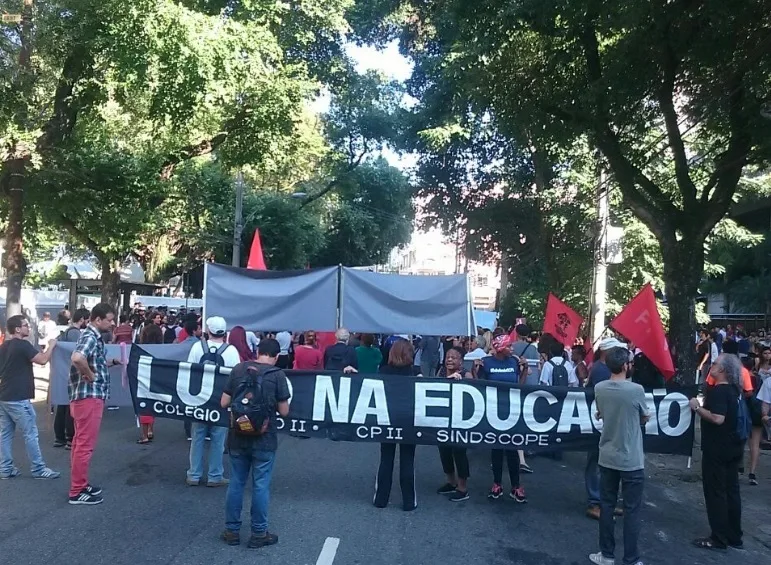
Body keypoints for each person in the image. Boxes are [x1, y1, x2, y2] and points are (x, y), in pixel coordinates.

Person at [220, 338, 290, 548]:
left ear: (257, 351)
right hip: (264, 438)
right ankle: (259, 533)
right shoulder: (277, 375)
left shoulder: (239, 369)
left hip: (238, 435)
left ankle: (232, 531)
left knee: (236, 483)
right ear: (277, 356)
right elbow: (284, 411)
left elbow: (223, 402)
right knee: (260, 485)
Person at [589, 347, 650, 565]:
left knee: (607, 505)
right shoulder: (636, 390)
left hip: (607, 455)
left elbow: (601, 413)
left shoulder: (600, 387)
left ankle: (606, 555)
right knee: (632, 510)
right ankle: (631, 559)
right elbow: (644, 417)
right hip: (631, 458)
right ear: (626, 366)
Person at [690, 353, 745, 551]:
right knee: (731, 490)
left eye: (714, 364)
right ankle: (734, 535)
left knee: (716, 492)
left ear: (722, 369)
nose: (711, 366)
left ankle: (718, 537)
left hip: (718, 449)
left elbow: (717, 418)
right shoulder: (734, 390)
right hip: (733, 447)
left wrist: (697, 408)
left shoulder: (720, 392)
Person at [68, 303, 119, 505]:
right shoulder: (90, 336)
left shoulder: (90, 336)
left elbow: (89, 360)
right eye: (109, 319)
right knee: (84, 445)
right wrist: (89, 375)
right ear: (98, 320)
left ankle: (80, 484)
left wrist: (111, 363)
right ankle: (76, 490)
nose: (112, 323)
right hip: (89, 397)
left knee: (80, 443)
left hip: (84, 397)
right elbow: (78, 358)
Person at [0, 315, 60, 480]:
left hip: (5, 395)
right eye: (26, 325)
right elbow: (42, 360)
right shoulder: (22, 345)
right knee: (30, 433)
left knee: (5, 433)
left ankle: (5, 468)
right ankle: (38, 469)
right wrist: (52, 346)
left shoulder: (4, 346)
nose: (29, 328)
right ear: (18, 329)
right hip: (19, 397)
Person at [185, 316, 239, 486]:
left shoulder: (196, 347)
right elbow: (236, 377)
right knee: (218, 438)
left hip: (199, 399)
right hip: (221, 400)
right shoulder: (231, 351)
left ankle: (194, 474)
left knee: (198, 436)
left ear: (208, 331)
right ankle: (214, 475)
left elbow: (189, 370)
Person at [478, 334, 527, 502]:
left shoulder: (514, 361)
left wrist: (525, 369)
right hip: (494, 410)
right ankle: (497, 483)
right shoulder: (486, 362)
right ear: (500, 348)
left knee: (512, 449)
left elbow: (520, 386)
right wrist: (475, 370)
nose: (512, 349)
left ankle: (516, 486)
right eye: (509, 346)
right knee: (497, 449)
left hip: (512, 410)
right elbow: (479, 386)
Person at [374, 339, 418, 510]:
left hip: (387, 419)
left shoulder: (383, 371)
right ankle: (408, 501)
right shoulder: (415, 372)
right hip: (409, 420)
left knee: (386, 458)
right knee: (408, 459)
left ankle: (381, 499)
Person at [585, 337, 626, 520]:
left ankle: (604, 501)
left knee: (604, 463)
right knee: (596, 462)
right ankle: (595, 501)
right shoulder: (601, 370)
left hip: (604, 421)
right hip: (599, 422)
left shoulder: (601, 368)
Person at [435, 347, 472, 502]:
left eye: (454, 357)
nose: (449, 360)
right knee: (444, 450)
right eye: (448, 357)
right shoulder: (441, 373)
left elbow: (472, 392)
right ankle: (451, 481)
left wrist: (460, 381)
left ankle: (463, 487)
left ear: (461, 361)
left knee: (459, 451)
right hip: (443, 418)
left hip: (460, 420)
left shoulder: (466, 374)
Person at [53, 308, 90, 449]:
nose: (87, 323)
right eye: (86, 320)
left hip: (62, 372)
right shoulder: (75, 334)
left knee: (62, 405)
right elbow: (78, 355)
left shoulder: (65, 333)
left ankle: (59, 438)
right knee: (71, 407)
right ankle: (70, 438)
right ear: (81, 319)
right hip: (72, 373)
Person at [136, 324, 163, 444]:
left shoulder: (140, 348)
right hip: (156, 378)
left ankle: (144, 434)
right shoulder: (163, 350)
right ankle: (151, 429)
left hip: (143, 378)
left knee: (143, 405)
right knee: (153, 404)